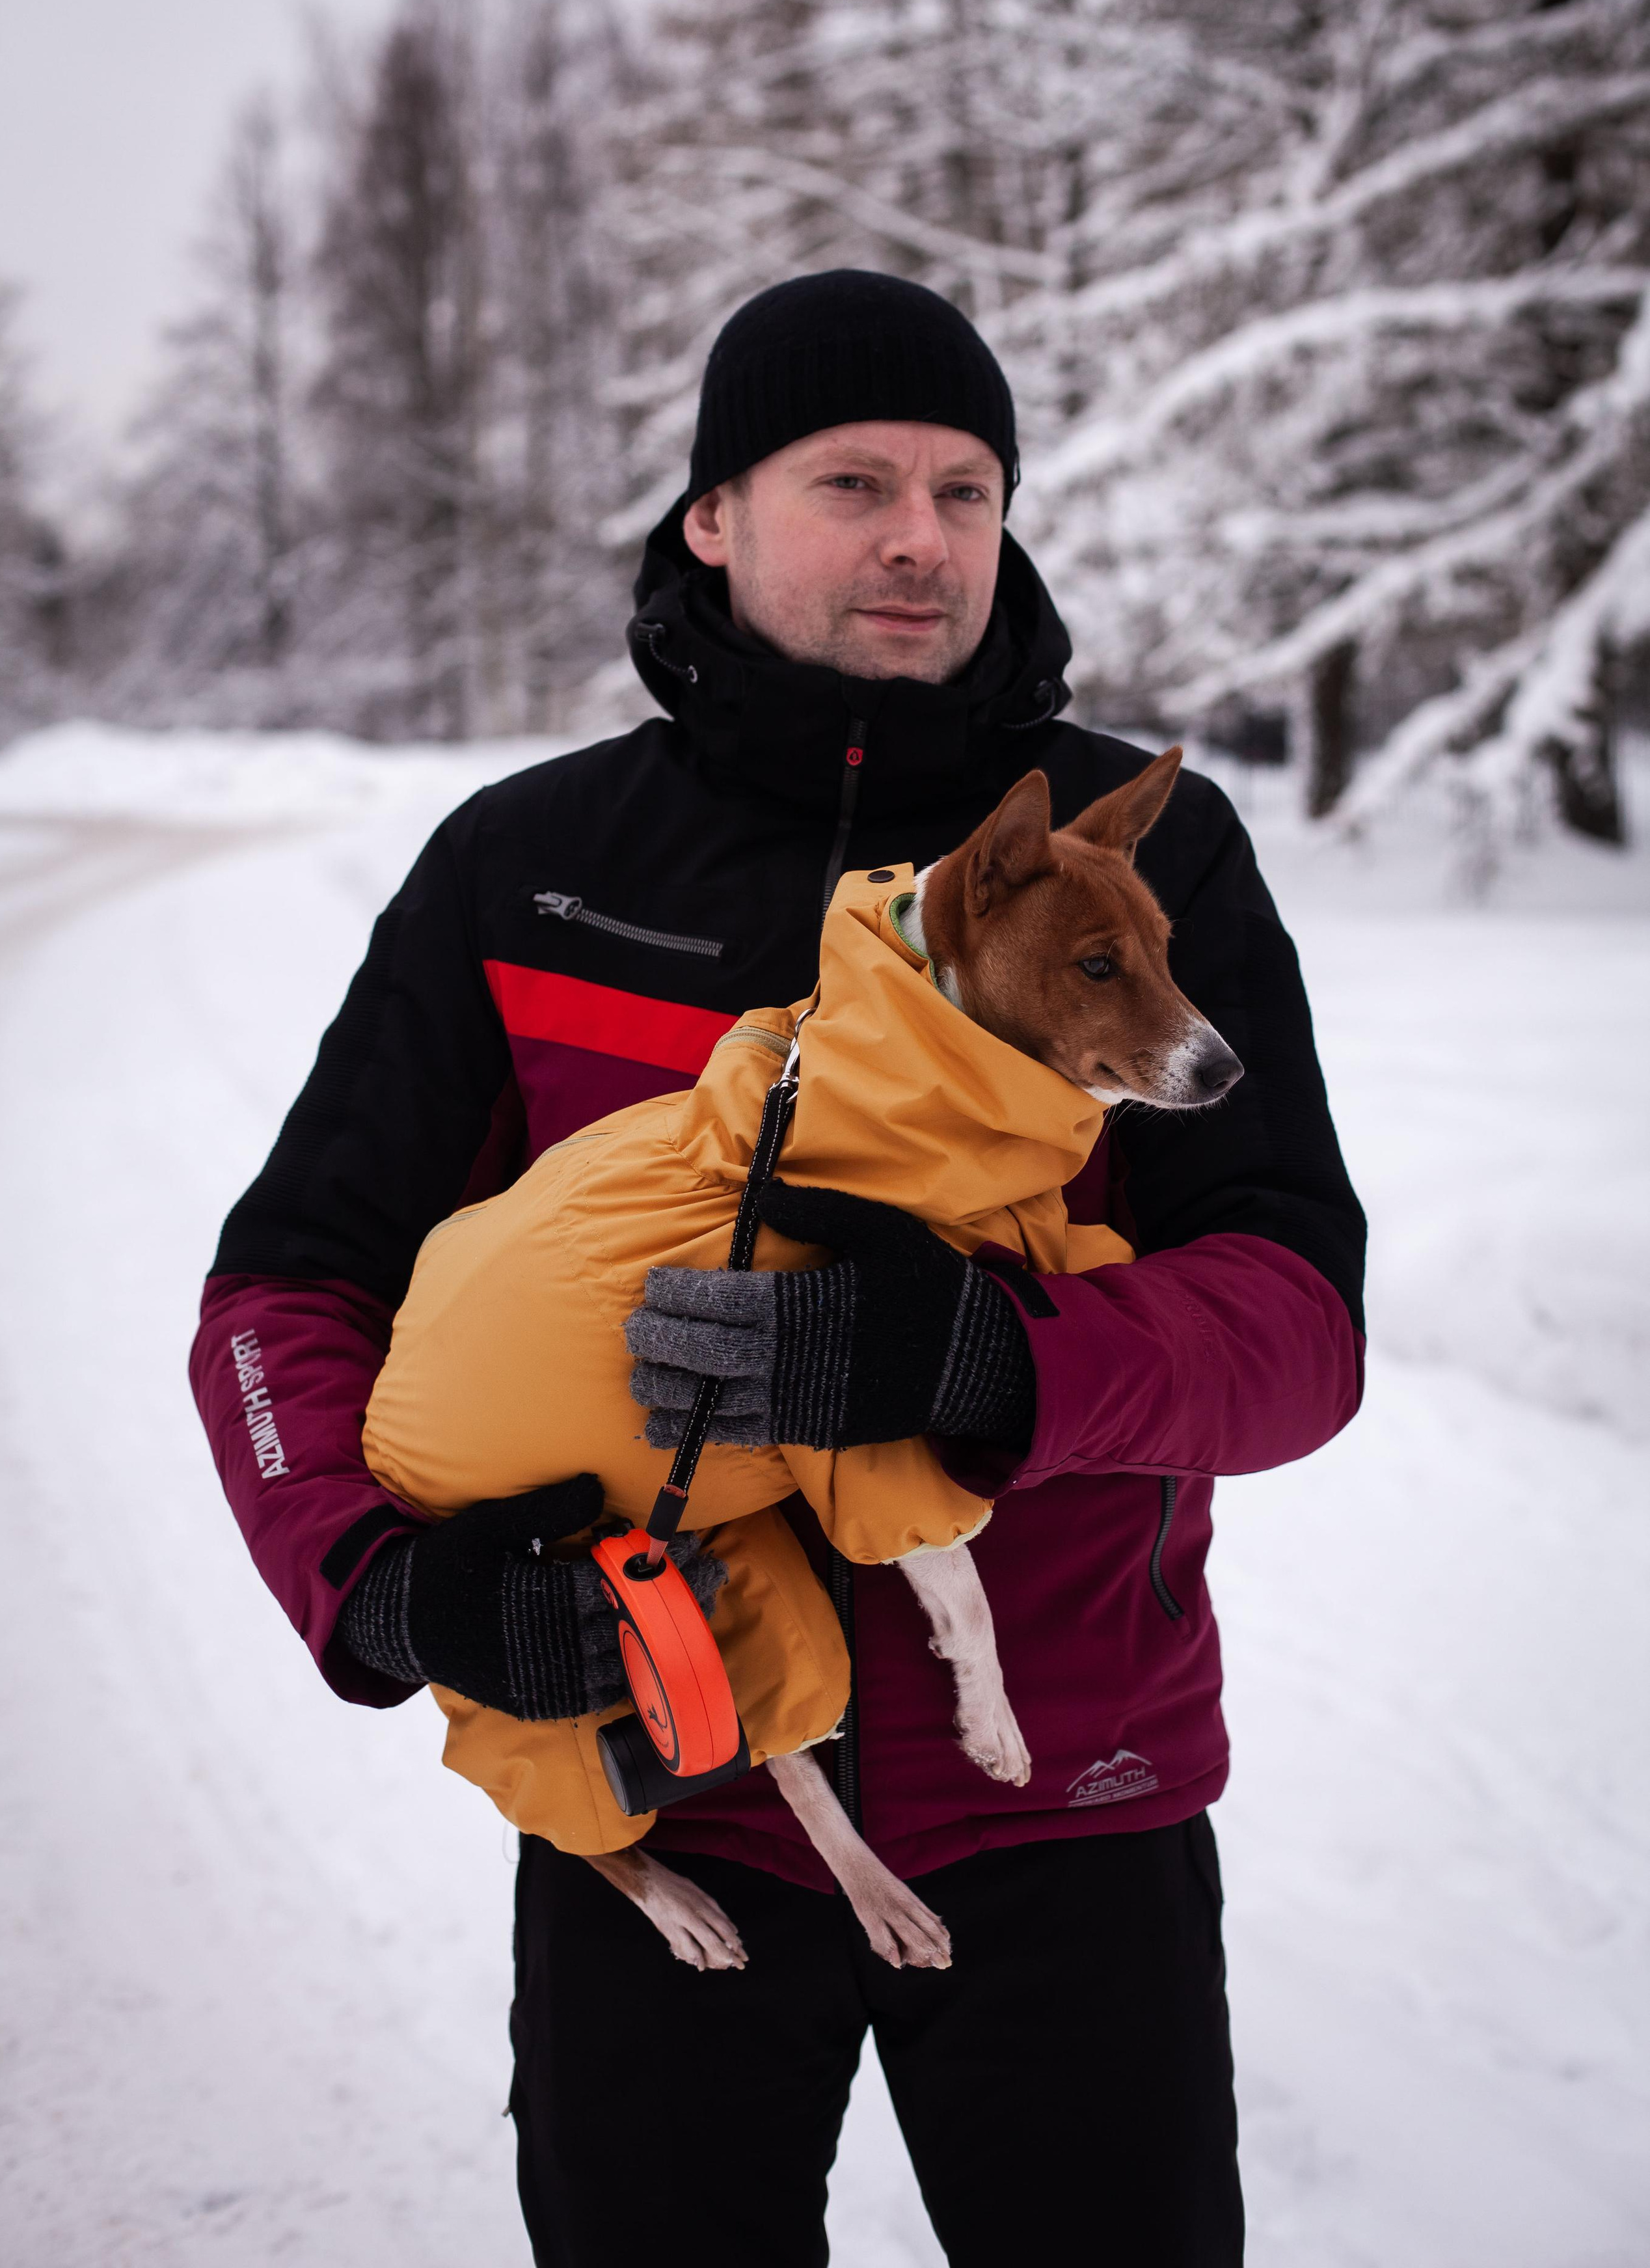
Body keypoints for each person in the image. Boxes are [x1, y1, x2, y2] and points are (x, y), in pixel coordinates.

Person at [191, 269, 1364, 2267]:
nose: (923, 537)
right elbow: (285, 1300)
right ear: (713, 515)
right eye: (855, 482)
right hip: (676, 1788)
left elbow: (1295, 1321)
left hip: (1071, 1797)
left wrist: (999, 1360)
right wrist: (386, 1588)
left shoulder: (1138, 857)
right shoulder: (532, 865)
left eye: (968, 489)